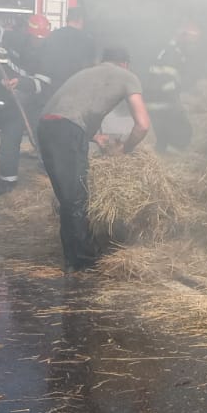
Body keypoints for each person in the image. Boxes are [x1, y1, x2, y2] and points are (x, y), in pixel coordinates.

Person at [37, 47, 151, 273]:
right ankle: (83, 261)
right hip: (66, 130)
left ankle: (74, 255)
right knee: (76, 198)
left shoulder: (87, 72)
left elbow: (68, 110)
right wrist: (126, 149)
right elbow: (143, 125)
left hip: (46, 126)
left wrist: (93, 136)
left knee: (68, 196)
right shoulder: (128, 76)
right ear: (125, 64)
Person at [0, 13, 52, 195]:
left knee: (43, 140)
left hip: (36, 101)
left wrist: (20, 83)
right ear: (28, 33)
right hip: (15, 101)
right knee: (9, 141)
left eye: (42, 38)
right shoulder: (16, 38)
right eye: (36, 38)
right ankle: (7, 184)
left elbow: (42, 83)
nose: (39, 42)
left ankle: (48, 182)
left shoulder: (50, 52)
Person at [145, 20, 200, 153]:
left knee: (164, 135)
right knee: (184, 131)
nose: (194, 44)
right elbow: (166, 82)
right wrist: (177, 102)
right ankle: (169, 156)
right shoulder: (172, 54)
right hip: (161, 102)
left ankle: (164, 154)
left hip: (159, 101)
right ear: (183, 37)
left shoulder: (172, 51)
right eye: (192, 40)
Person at [36, 6, 96, 103]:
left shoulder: (53, 36)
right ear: (80, 20)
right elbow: (90, 69)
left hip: (53, 92)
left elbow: (43, 63)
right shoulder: (88, 40)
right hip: (76, 93)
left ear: (67, 19)